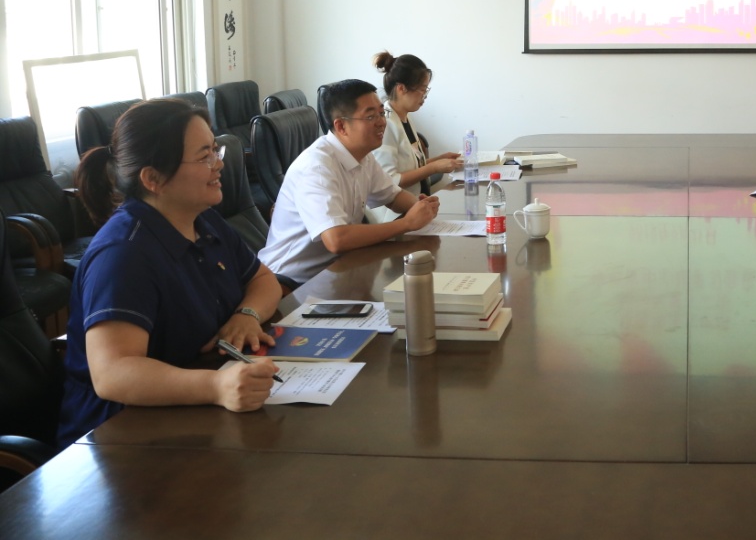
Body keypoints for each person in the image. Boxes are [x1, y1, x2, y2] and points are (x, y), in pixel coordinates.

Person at [59, 99, 282, 447]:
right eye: (204, 156)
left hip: (194, 406)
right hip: (121, 436)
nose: (219, 163)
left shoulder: (203, 219)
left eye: (216, 150)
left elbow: (263, 279)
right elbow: (112, 373)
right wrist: (215, 386)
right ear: (153, 179)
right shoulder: (123, 254)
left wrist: (247, 315)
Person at [259, 79, 440, 284]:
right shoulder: (317, 168)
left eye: (381, 113)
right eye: (370, 116)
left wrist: (420, 208)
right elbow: (336, 239)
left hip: (338, 268)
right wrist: (406, 223)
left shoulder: (363, 155)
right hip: (291, 282)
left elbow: (392, 196)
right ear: (341, 126)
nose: (381, 122)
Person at [369, 51, 461, 223]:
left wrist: (440, 159)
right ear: (401, 88)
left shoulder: (404, 116)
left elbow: (411, 164)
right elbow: (390, 181)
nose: (424, 97)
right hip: (396, 216)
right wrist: (434, 168)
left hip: (417, 207)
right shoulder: (386, 124)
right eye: (422, 90)